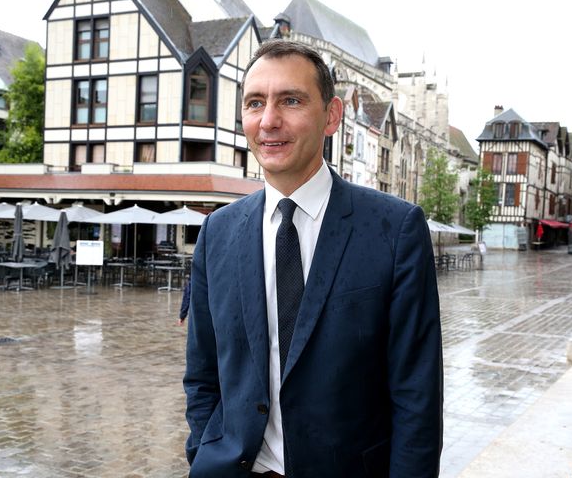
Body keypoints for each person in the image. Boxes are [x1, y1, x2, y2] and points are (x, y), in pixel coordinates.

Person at [184, 39, 443, 478]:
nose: (268, 121)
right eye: (254, 103)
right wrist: (204, 449)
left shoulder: (395, 230)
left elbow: (417, 395)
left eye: (291, 100)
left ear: (332, 116)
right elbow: (203, 372)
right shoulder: (218, 232)